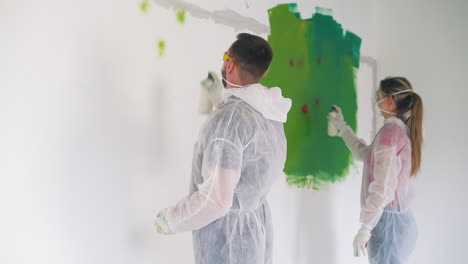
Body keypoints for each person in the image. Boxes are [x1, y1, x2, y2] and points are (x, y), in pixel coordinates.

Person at [154, 33, 292, 264]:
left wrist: (172, 219)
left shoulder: (228, 121)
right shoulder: (269, 116)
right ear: (263, 72)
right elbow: (244, 152)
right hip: (254, 232)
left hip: (227, 240)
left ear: (229, 65)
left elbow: (217, 201)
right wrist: (220, 102)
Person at [329, 77, 423, 263]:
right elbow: (365, 154)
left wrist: (366, 228)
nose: (376, 100)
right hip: (392, 223)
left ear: (389, 100)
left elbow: (382, 187)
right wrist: (342, 127)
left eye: (379, 96)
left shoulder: (390, 134)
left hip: (388, 226)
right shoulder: (397, 131)